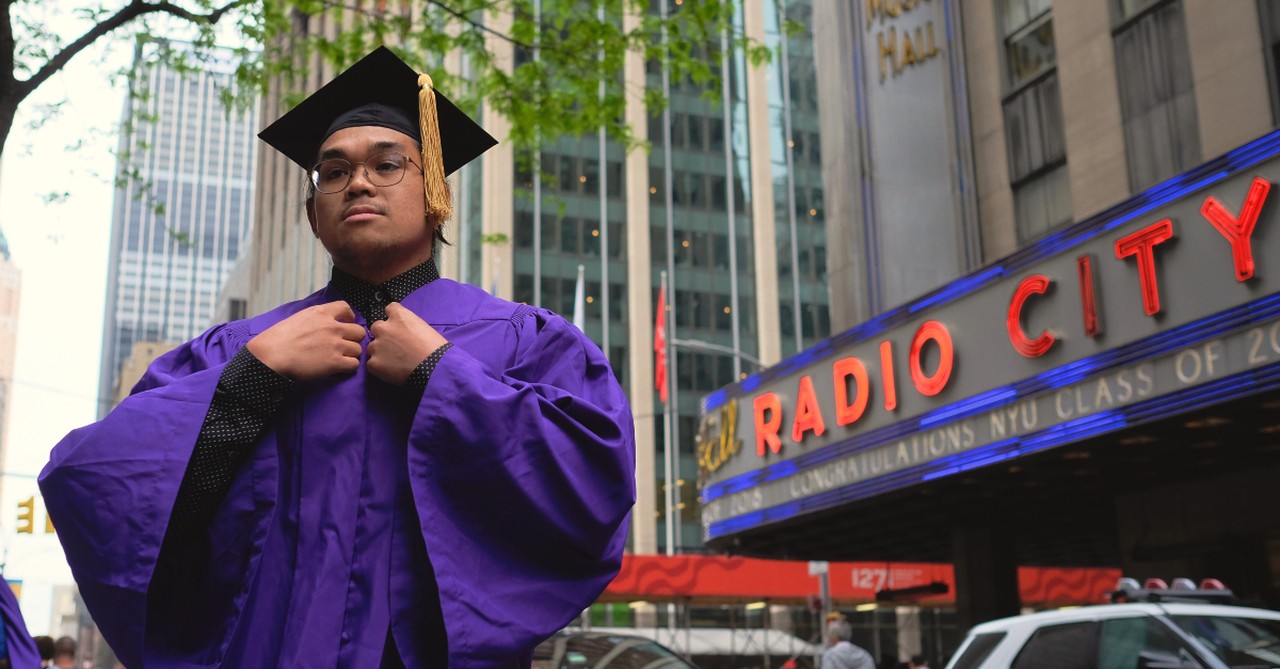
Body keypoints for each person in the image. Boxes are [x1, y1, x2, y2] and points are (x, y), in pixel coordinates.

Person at [39, 46, 636, 668]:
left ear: (435, 191)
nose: (357, 182)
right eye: (333, 171)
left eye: (387, 164)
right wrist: (249, 382)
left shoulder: (522, 341)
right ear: (312, 214)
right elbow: (100, 488)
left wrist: (440, 376)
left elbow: (593, 483)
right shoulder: (238, 351)